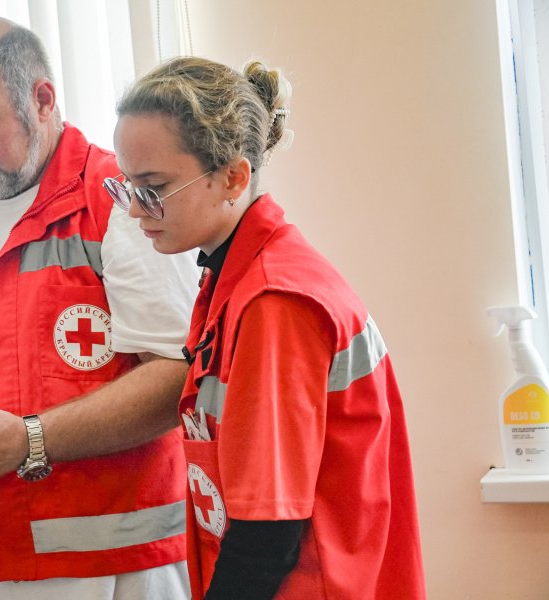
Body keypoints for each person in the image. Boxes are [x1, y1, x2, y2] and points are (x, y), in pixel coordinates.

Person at [0, 16, 199, 600]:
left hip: (113, 570)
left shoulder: (120, 202)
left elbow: (179, 374)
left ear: (42, 99)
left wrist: (29, 439)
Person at [107, 56, 427, 599]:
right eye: (127, 186)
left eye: (154, 187)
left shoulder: (273, 301)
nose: (137, 211)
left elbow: (267, 531)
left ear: (233, 177)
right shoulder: (231, 279)